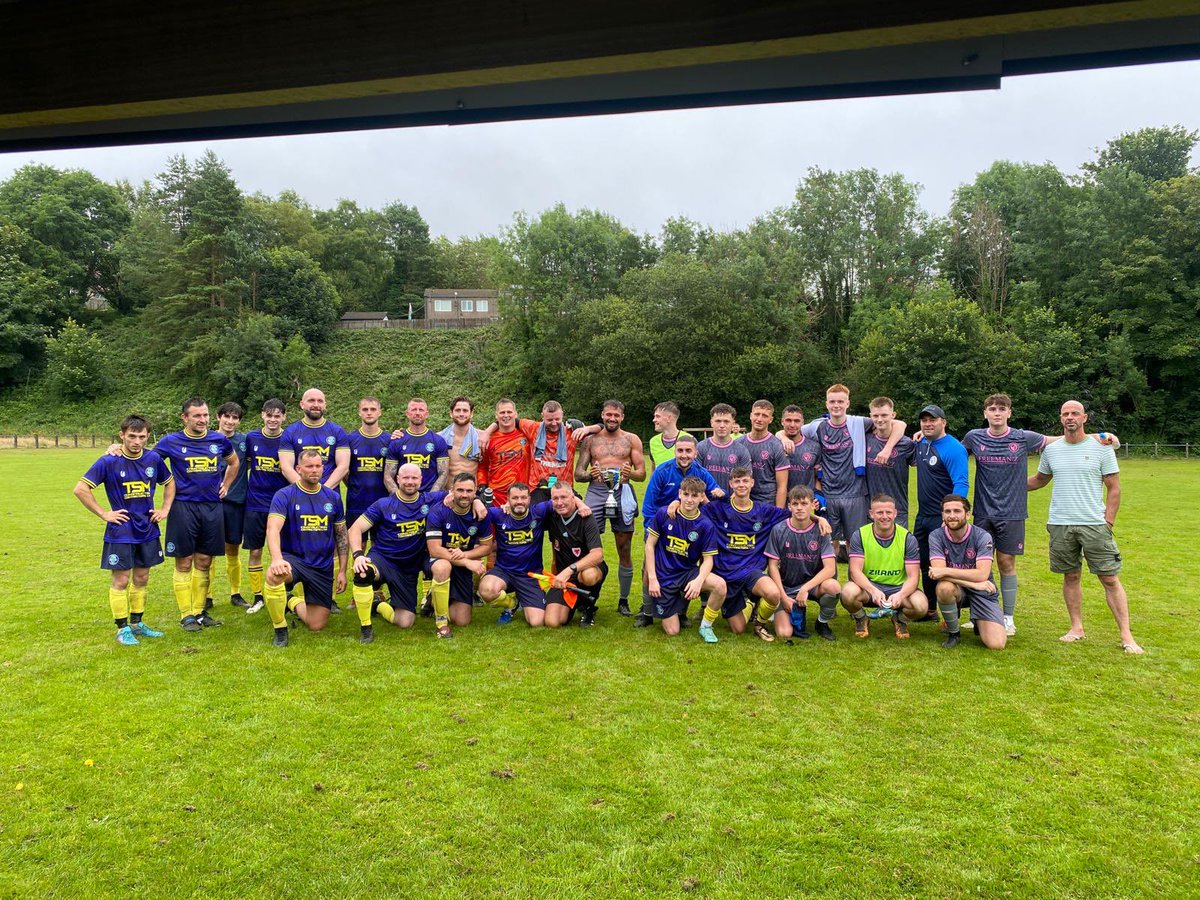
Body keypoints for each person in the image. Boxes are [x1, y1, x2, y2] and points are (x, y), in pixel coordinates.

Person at [962, 393, 1119, 636]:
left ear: (1009, 413)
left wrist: (1098, 436)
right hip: (983, 511)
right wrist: (924, 436)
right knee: (981, 564)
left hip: (1013, 512)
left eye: (1002, 409)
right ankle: (982, 613)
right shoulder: (974, 437)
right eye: (992, 409)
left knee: (1006, 562)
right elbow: (951, 449)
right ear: (985, 413)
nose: (997, 413)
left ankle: (1008, 618)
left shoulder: (1023, 437)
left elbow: (1062, 437)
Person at [1027, 400, 1142, 653]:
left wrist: (1108, 521)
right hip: (1060, 523)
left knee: (1109, 578)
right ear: (1061, 419)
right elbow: (1039, 480)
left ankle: (1127, 636)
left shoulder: (1102, 448)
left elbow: (1114, 488)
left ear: (1084, 418)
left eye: (1075, 413)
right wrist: (1005, 482)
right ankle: (1076, 628)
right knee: (1071, 576)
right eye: (1065, 414)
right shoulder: (1052, 451)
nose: (1070, 417)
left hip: (1094, 524)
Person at [347, 464, 485, 642]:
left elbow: (461, 494)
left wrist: (477, 500)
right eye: (406, 478)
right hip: (384, 559)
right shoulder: (383, 504)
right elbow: (355, 528)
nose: (410, 482)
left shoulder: (430, 499)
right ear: (397, 479)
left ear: (421, 480)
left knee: (405, 621)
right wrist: (358, 554)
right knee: (363, 572)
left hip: (410, 566)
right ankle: (366, 628)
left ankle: (378, 605)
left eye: (414, 478)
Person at [74, 415, 173, 645]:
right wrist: (104, 514)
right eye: (132, 436)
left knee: (142, 577)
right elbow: (80, 489)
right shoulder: (109, 461)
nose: (137, 441)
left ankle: (137, 623)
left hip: (147, 529)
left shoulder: (153, 459)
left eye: (142, 437)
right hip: (121, 531)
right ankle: (122, 628)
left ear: (148, 437)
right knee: (121, 580)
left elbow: (169, 482)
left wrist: (165, 509)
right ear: (122, 435)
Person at [154, 397, 239, 632]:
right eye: (197, 416)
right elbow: (147, 461)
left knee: (204, 561)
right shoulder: (170, 441)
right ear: (185, 418)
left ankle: (199, 612)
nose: (203, 420)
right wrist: (116, 449)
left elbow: (234, 463)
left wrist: (226, 484)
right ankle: (186, 616)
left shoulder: (218, 440)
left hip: (212, 507)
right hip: (183, 507)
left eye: (205, 415)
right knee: (184, 562)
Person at [799, 384, 907, 560]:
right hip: (829, 494)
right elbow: (788, 431)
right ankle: (831, 579)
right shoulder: (817, 427)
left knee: (855, 544)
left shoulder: (859, 423)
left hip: (855, 494)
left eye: (840, 401)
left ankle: (855, 578)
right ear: (826, 404)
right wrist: (782, 437)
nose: (836, 405)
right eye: (832, 401)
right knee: (828, 543)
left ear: (848, 403)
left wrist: (887, 449)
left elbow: (900, 424)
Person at [690, 466, 789, 642]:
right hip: (725, 575)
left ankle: (759, 624)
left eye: (745, 481)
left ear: (752, 483)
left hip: (751, 572)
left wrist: (818, 518)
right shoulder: (718, 509)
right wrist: (675, 504)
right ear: (731, 484)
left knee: (773, 594)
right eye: (737, 481)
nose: (741, 485)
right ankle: (750, 602)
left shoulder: (764, 511)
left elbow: (794, 515)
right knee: (738, 629)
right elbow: (691, 509)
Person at [635, 434, 724, 627]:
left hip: (690, 528)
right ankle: (646, 611)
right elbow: (649, 505)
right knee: (648, 568)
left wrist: (719, 493)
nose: (684, 455)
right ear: (674, 451)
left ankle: (681, 611)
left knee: (688, 567)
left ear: (695, 453)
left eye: (688, 451)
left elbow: (714, 494)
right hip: (662, 526)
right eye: (680, 450)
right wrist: (652, 531)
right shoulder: (662, 471)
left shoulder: (701, 472)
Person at [262, 449, 348, 646]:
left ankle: (290, 601)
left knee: (316, 625)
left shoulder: (333, 497)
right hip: (294, 560)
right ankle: (280, 628)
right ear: (299, 469)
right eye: (309, 466)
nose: (314, 470)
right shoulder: (284, 495)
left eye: (318, 466)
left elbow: (341, 535)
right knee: (274, 576)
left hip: (322, 566)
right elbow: (273, 528)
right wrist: (277, 559)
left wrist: (343, 570)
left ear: (323, 468)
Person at [479, 481, 592, 628]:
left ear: (529, 499)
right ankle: (512, 604)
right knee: (487, 589)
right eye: (515, 498)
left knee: (537, 622)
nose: (519, 501)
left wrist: (581, 505)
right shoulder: (498, 514)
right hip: (504, 571)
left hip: (531, 575)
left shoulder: (538, 511)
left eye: (523, 497)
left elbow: (564, 498)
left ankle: (525, 598)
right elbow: (478, 511)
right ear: (508, 499)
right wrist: (476, 501)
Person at [574, 400, 646, 617]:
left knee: (624, 547)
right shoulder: (591, 439)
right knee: (586, 545)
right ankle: (586, 597)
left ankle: (623, 600)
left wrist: (630, 473)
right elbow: (578, 474)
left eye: (616, 415)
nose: (612, 418)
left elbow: (641, 474)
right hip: (596, 491)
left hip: (622, 491)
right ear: (602, 415)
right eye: (608, 414)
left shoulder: (631, 439)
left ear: (622, 417)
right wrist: (591, 475)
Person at [841, 494, 928, 640]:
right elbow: (855, 571)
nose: (884, 516)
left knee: (921, 606)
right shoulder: (860, 535)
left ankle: (900, 619)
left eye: (888, 512)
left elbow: (913, 577)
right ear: (871, 514)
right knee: (847, 593)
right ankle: (861, 618)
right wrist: (873, 590)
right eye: (879, 512)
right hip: (869, 588)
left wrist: (901, 595)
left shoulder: (907, 538)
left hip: (898, 588)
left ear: (895, 513)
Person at [644, 476, 722, 637]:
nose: (689, 500)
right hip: (664, 576)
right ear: (679, 493)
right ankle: (674, 602)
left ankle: (706, 626)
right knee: (673, 631)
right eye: (686, 494)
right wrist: (652, 579)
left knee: (720, 585)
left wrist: (698, 581)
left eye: (694, 496)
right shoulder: (664, 514)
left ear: (702, 497)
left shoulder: (706, 525)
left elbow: (708, 560)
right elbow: (649, 545)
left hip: (687, 573)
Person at [911, 404, 970, 614]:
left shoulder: (954, 448)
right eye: (924, 420)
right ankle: (930, 610)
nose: (928, 424)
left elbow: (961, 483)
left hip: (942, 517)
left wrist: (951, 515)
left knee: (945, 565)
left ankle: (952, 611)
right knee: (924, 562)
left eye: (933, 420)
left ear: (943, 422)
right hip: (923, 516)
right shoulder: (921, 442)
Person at [928, 495, 1006, 650]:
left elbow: (982, 575)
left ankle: (978, 619)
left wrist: (945, 571)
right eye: (947, 511)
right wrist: (974, 584)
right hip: (969, 587)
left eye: (957, 511)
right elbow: (938, 574)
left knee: (996, 644)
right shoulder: (936, 536)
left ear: (968, 514)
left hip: (983, 590)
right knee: (944, 588)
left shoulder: (982, 536)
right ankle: (954, 633)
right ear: (942, 515)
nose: (952, 515)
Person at [766, 485, 840, 643]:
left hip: (811, 586)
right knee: (784, 633)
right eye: (795, 504)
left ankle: (822, 623)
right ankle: (788, 608)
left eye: (804, 503)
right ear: (789, 506)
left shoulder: (821, 530)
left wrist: (805, 589)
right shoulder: (778, 529)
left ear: (813, 505)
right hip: (786, 587)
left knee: (833, 586)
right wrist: (783, 597)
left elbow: (830, 569)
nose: (799, 508)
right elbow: (772, 566)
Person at [425, 473, 494, 638]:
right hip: (439, 560)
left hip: (461, 564)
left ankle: (434, 598)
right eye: (460, 490)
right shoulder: (438, 511)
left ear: (475, 491)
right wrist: (467, 562)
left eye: (469, 491)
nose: (464, 495)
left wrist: (465, 554)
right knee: (443, 567)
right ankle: (441, 623)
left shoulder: (481, 513)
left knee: (462, 621)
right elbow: (435, 550)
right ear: (452, 490)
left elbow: (487, 547)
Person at [241, 399, 288, 615]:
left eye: (277, 415)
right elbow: (241, 462)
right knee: (255, 550)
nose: (273, 419)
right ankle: (258, 596)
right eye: (269, 415)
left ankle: (287, 593)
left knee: (285, 551)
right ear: (262, 415)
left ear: (284, 417)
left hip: (282, 505)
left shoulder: (289, 438)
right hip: (255, 503)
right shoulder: (252, 437)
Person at [544, 480, 609, 627]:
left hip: (584, 570)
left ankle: (588, 607)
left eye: (564, 497)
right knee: (552, 622)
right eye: (555, 498)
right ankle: (578, 600)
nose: (559, 502)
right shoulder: (552, 516)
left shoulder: (586, 517)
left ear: (573, 498)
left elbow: (598, 555)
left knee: (589, 576)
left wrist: (569, 570)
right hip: (564, 577)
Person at [210, 402, 249, 610]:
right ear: (218, 417)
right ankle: (207, 596)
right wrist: (115, 446)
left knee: (232, 548)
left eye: (235, 418)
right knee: (208, 550)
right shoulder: (206, 439)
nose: (230, 421)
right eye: (227, 416)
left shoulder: (244, 441)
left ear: (239, 421)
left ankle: (235, 593)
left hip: (236, 502)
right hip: (210, 503)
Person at [277, 387, 350, 488]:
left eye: (320, 401)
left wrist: (323, 491)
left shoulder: (337, 431)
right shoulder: (290, 432)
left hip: (329, 492)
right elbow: (286, 468)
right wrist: (306, 490)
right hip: (299, 494)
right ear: (302, 404)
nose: (316, 405)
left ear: (325, 405)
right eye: (311, 400)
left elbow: (343, 466)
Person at [864, 397, 915, 529]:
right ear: (870, 416)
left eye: (884, 415)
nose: (880, 419)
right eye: (875, 416)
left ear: (893, 415)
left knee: (899, 541)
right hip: (871, 509)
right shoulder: (865, 439)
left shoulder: (906, 443)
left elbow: (923, 466)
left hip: (898, 508)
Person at [384, 397, 450, 495]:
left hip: (429, 497)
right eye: (414, 409)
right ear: (407, 413)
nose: (417, 413)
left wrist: (431, 496)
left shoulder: (438, 441)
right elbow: (388, 476)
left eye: (421, 410)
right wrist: (399, 497)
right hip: (404, 497)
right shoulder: (397, 441)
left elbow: (444, 473)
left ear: (427, 414)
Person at [345, 396, 391, 530]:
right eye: (365, 409)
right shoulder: (349, 439)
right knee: (356, 539)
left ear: (380, 412)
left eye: (373, 409)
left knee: (381, 540)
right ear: (359, 412)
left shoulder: (390, 440)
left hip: (382, 502)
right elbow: (344, 470)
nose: (369, 413)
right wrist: (355, 486)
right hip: (356, 503)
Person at [477, 398, 531, 507]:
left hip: (521, 496)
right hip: (497, 497)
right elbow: (482, 467)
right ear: (496, 416)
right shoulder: (488, 440)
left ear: (516, 414)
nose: (506, 415)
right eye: (502, 412)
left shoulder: (527, 436)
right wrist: (482, 486)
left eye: (509, 412)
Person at [739, 399, 789, 508]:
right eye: (757, 414)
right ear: (751, 416)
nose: (759, 419)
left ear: (770, 419)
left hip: (767, 504)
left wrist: (778, 513)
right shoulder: (738, 444)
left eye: (765, 416)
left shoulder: (777, 446)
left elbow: (782, 486)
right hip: (742, 503)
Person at [697, 403, 751, 494]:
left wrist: (733, 501)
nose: (722, 425)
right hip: (706, 500)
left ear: (733, 423)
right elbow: (695, 480)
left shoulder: (742, 450)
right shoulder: (700, 448)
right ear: (711, 422)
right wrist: (706, 500)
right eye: (718, 421)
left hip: (732, 501)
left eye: (726, 421)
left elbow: (745, 481)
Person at [439, 396, 484, 480]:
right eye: (457, 410)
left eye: (465, 410)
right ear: (451, 413)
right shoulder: (440, 438)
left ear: (471, 413)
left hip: (472, 487)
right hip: (448, 487)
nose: (461, 414)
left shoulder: (482, 437)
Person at [779, 405, 820, 493]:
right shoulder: (775, 445)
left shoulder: (814, 447)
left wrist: (818, 496)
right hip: (781, 499)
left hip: (806, 499)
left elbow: (819, 477)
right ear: (782, 421)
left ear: (802, 422)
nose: (792, 425)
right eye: (788, 420)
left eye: (797, 421)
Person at [648, 401, 691, 473]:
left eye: (657, 416)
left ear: (669, 418)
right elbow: (654, 468)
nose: (654, 420)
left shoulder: (689, 440)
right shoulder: (653, 441)